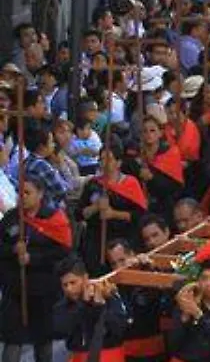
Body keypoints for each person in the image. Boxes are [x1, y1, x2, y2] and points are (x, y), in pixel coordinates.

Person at [0, 177, 73, 362]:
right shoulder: (10, 218)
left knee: (43, 340)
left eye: (27, 193)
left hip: (43, 288)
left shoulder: (54, 218)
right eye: (20, 193)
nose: (22, 197)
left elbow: (63, 251)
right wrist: (12, 250)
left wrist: (34, 258)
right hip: (14, 289)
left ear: (40, 194)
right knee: (12, 340)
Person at [79, 146, 147, 275]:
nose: (104, 163)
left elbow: (139, 215)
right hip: (96, 241)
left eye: (108, 159)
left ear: (118, 162)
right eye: (101, 159)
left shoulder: (130, 183)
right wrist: (95, 207)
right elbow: (79, 213)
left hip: (123, 236)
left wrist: (114, 214)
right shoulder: (93, 184)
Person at [53, 261, 129, 362]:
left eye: (73, 282)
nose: (69, 289)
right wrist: (83, 304)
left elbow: (121, 328)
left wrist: (101, 307)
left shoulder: (109, 295)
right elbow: (60, 330)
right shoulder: (63, 305)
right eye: (65, 285)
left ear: (85, 278)